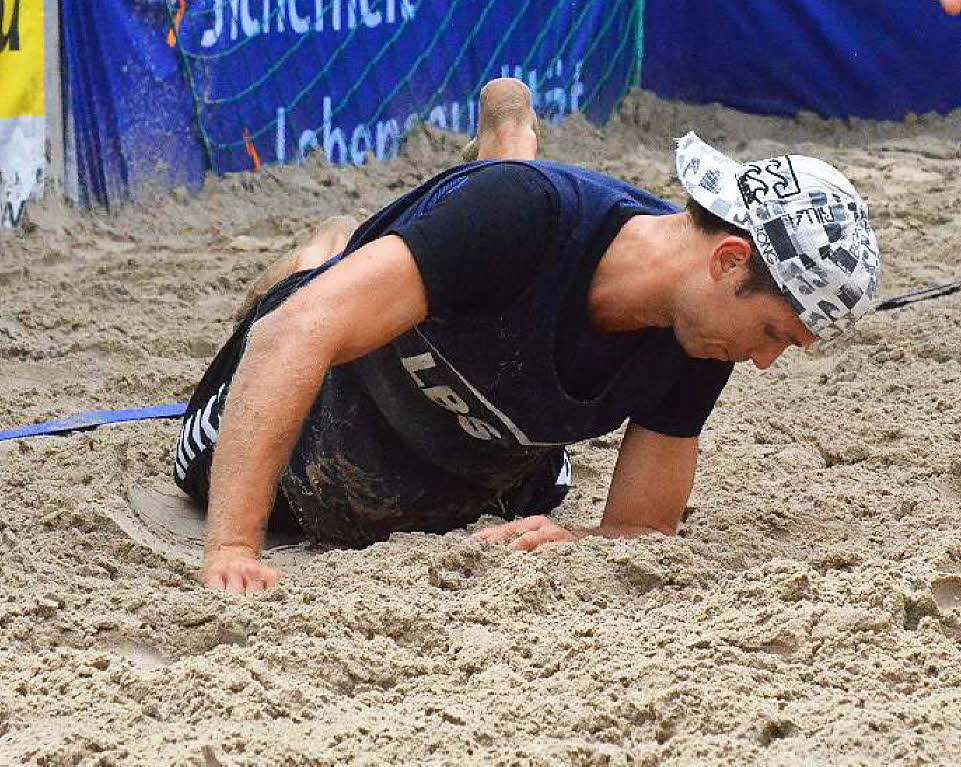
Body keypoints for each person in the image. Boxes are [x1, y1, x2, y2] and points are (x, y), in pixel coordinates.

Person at [173, 78, 880, 595]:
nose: (763, 360)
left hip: (491, 465)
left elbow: (642, 529)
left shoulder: (698, 332)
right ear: (729, 261)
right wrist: (234, 544)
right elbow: (290, 337)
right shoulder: (520, 220)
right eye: (772, 332)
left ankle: (497, 158)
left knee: (536, 491)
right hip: (328, 424)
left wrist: (580, 541)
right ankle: (329, 252)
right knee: (319, 295)